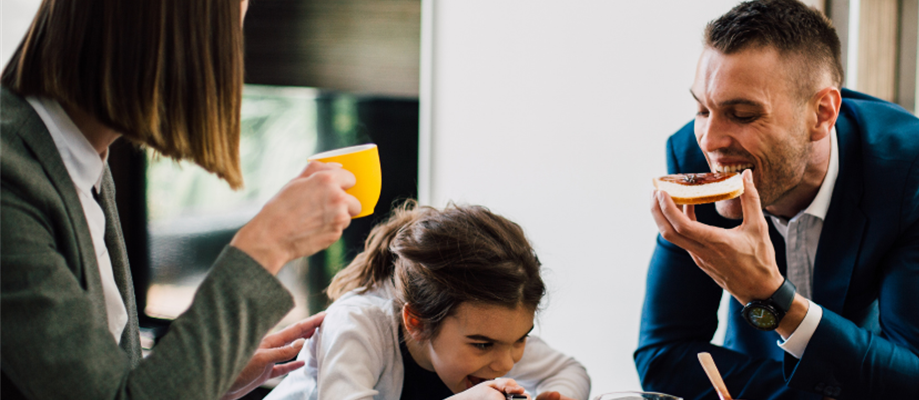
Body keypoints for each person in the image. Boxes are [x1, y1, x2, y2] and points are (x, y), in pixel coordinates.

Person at [0, 0, 359, 399]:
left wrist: (206, 373)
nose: (230, 64)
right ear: (167, 38)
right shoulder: (10, 182)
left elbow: (107, 379)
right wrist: (266, 246)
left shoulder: (80, 157)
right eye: (226, 37)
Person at [636, 1, 919, 399]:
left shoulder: (915, 167)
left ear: (822, 113)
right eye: (702, 109)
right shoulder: (691, 157)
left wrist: (771, 298)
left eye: (744, 114)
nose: (710, 141)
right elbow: (662, 359)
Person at [266, 201, 591, 400]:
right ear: (417, 322)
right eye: (482, 345)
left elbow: (569, 371)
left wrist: (561, 396)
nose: (506, 364)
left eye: (521, 339)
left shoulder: (495, 336)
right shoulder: (357, 325)